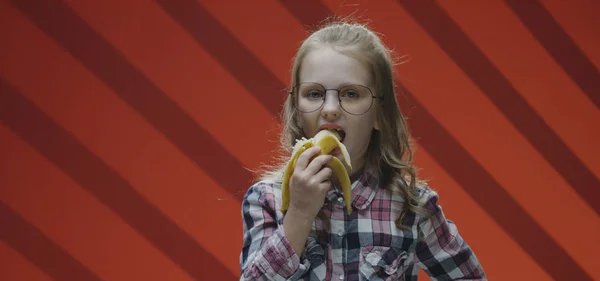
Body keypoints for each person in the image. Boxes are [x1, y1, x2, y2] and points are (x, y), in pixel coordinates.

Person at [239, 19, 486, 281]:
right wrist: (299, 213)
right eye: (314, 94)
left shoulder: (411, 207)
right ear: (297, 112)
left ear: (380, 114)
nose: (330, 108)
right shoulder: (267, 200)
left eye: (351, 94)